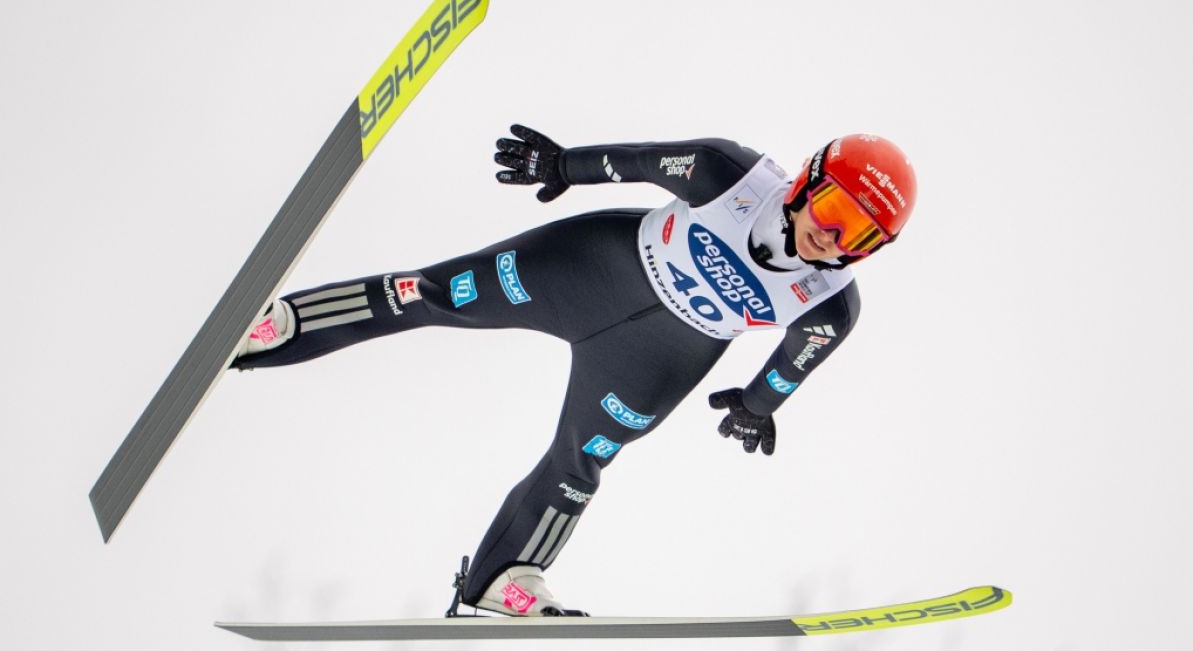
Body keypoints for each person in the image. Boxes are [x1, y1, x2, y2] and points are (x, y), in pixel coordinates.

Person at [231, 125, 917, 616]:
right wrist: (562, 166)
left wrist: (756, 405)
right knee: (432, 293)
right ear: (806, 182)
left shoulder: (831, 303)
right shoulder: (729, 173)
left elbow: (795, 363)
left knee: (580, 461)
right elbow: (642, 162)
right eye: (832, 210)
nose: (831, 236)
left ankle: (505, 579)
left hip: (658, 357)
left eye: (857, 235)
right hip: (590, 269)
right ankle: (282, 325)